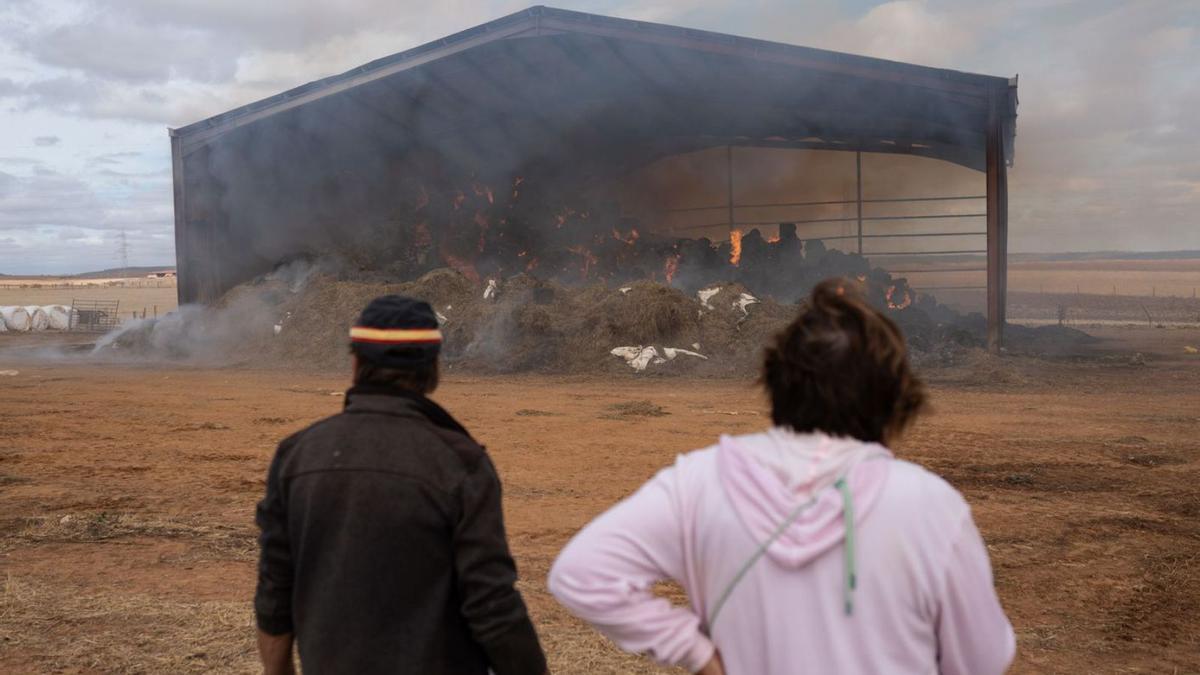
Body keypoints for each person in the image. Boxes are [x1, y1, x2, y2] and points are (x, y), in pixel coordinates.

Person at [548, 279, 1015, 675]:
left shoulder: (698, 481)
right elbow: (983, 656)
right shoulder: (930, 504)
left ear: (774, 384)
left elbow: (580, 574)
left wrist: (696, 652)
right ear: (894, 401)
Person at [254, 295, 547, 675]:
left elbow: (275, 593)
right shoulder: (460, 462)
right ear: (433, 369)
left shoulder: (296, 455)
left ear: (356, 362)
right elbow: (491, 605)